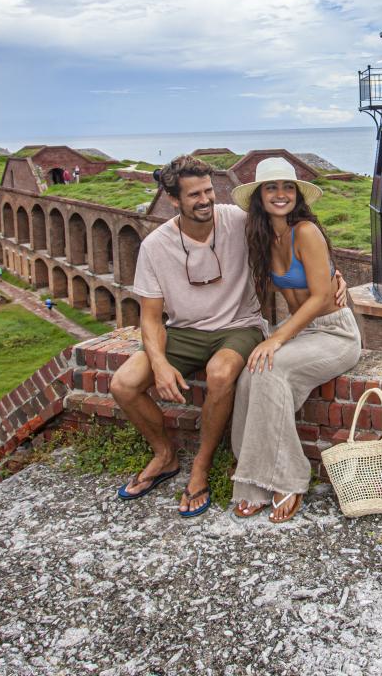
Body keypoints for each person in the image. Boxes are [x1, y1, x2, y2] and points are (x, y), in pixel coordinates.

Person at [114, 155, 346, 517]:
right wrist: (158, 364)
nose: (205, 200)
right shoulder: (157, 246)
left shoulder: (237, 221)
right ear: (174, 200)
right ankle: (165, 455)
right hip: (185, 332)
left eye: (208, 191)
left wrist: (334, 276)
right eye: (194, 195)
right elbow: (150, 317)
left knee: (230, 373)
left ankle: (205, 468)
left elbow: (308, 249)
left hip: (242, 327)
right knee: (123, 383)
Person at [228, 158, 362, 524]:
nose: (281, 194)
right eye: (271, 188)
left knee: (269, 368)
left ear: (297, 195)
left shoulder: (306, 231)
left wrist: (277, 338)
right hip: (300, 331)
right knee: (248, 376)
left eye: (287, 187)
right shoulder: (262, 237)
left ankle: (288, 478)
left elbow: (320, 296)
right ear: (259, 196)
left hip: (335, 332)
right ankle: (252, 480)